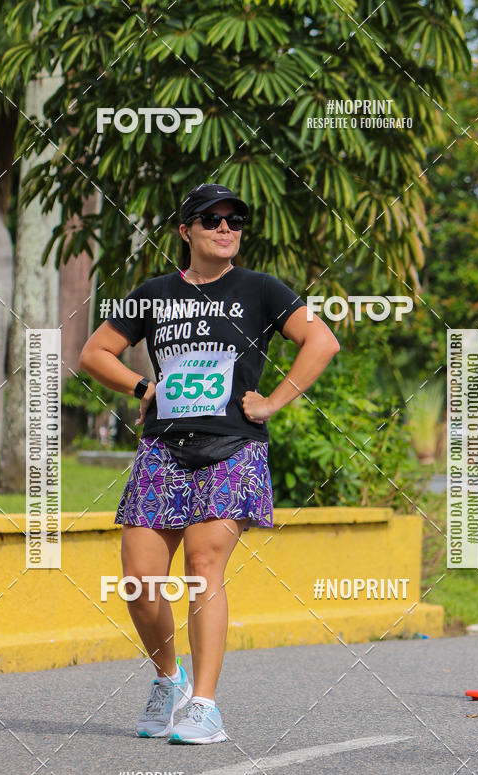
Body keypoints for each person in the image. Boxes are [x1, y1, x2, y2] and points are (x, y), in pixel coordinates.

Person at [79, 182, 340, 744]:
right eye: (211, 219)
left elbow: (321, 342)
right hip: (163, 448)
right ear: (185, 230)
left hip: (232, 447)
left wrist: (272, 402)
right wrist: (142, 385)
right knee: (140, 582)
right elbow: (94, 352)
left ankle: (204, 704)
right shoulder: (152, 293)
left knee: (202, 565)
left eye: (235, 220)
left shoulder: (260, 289)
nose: (226, 229)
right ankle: (168, 679)